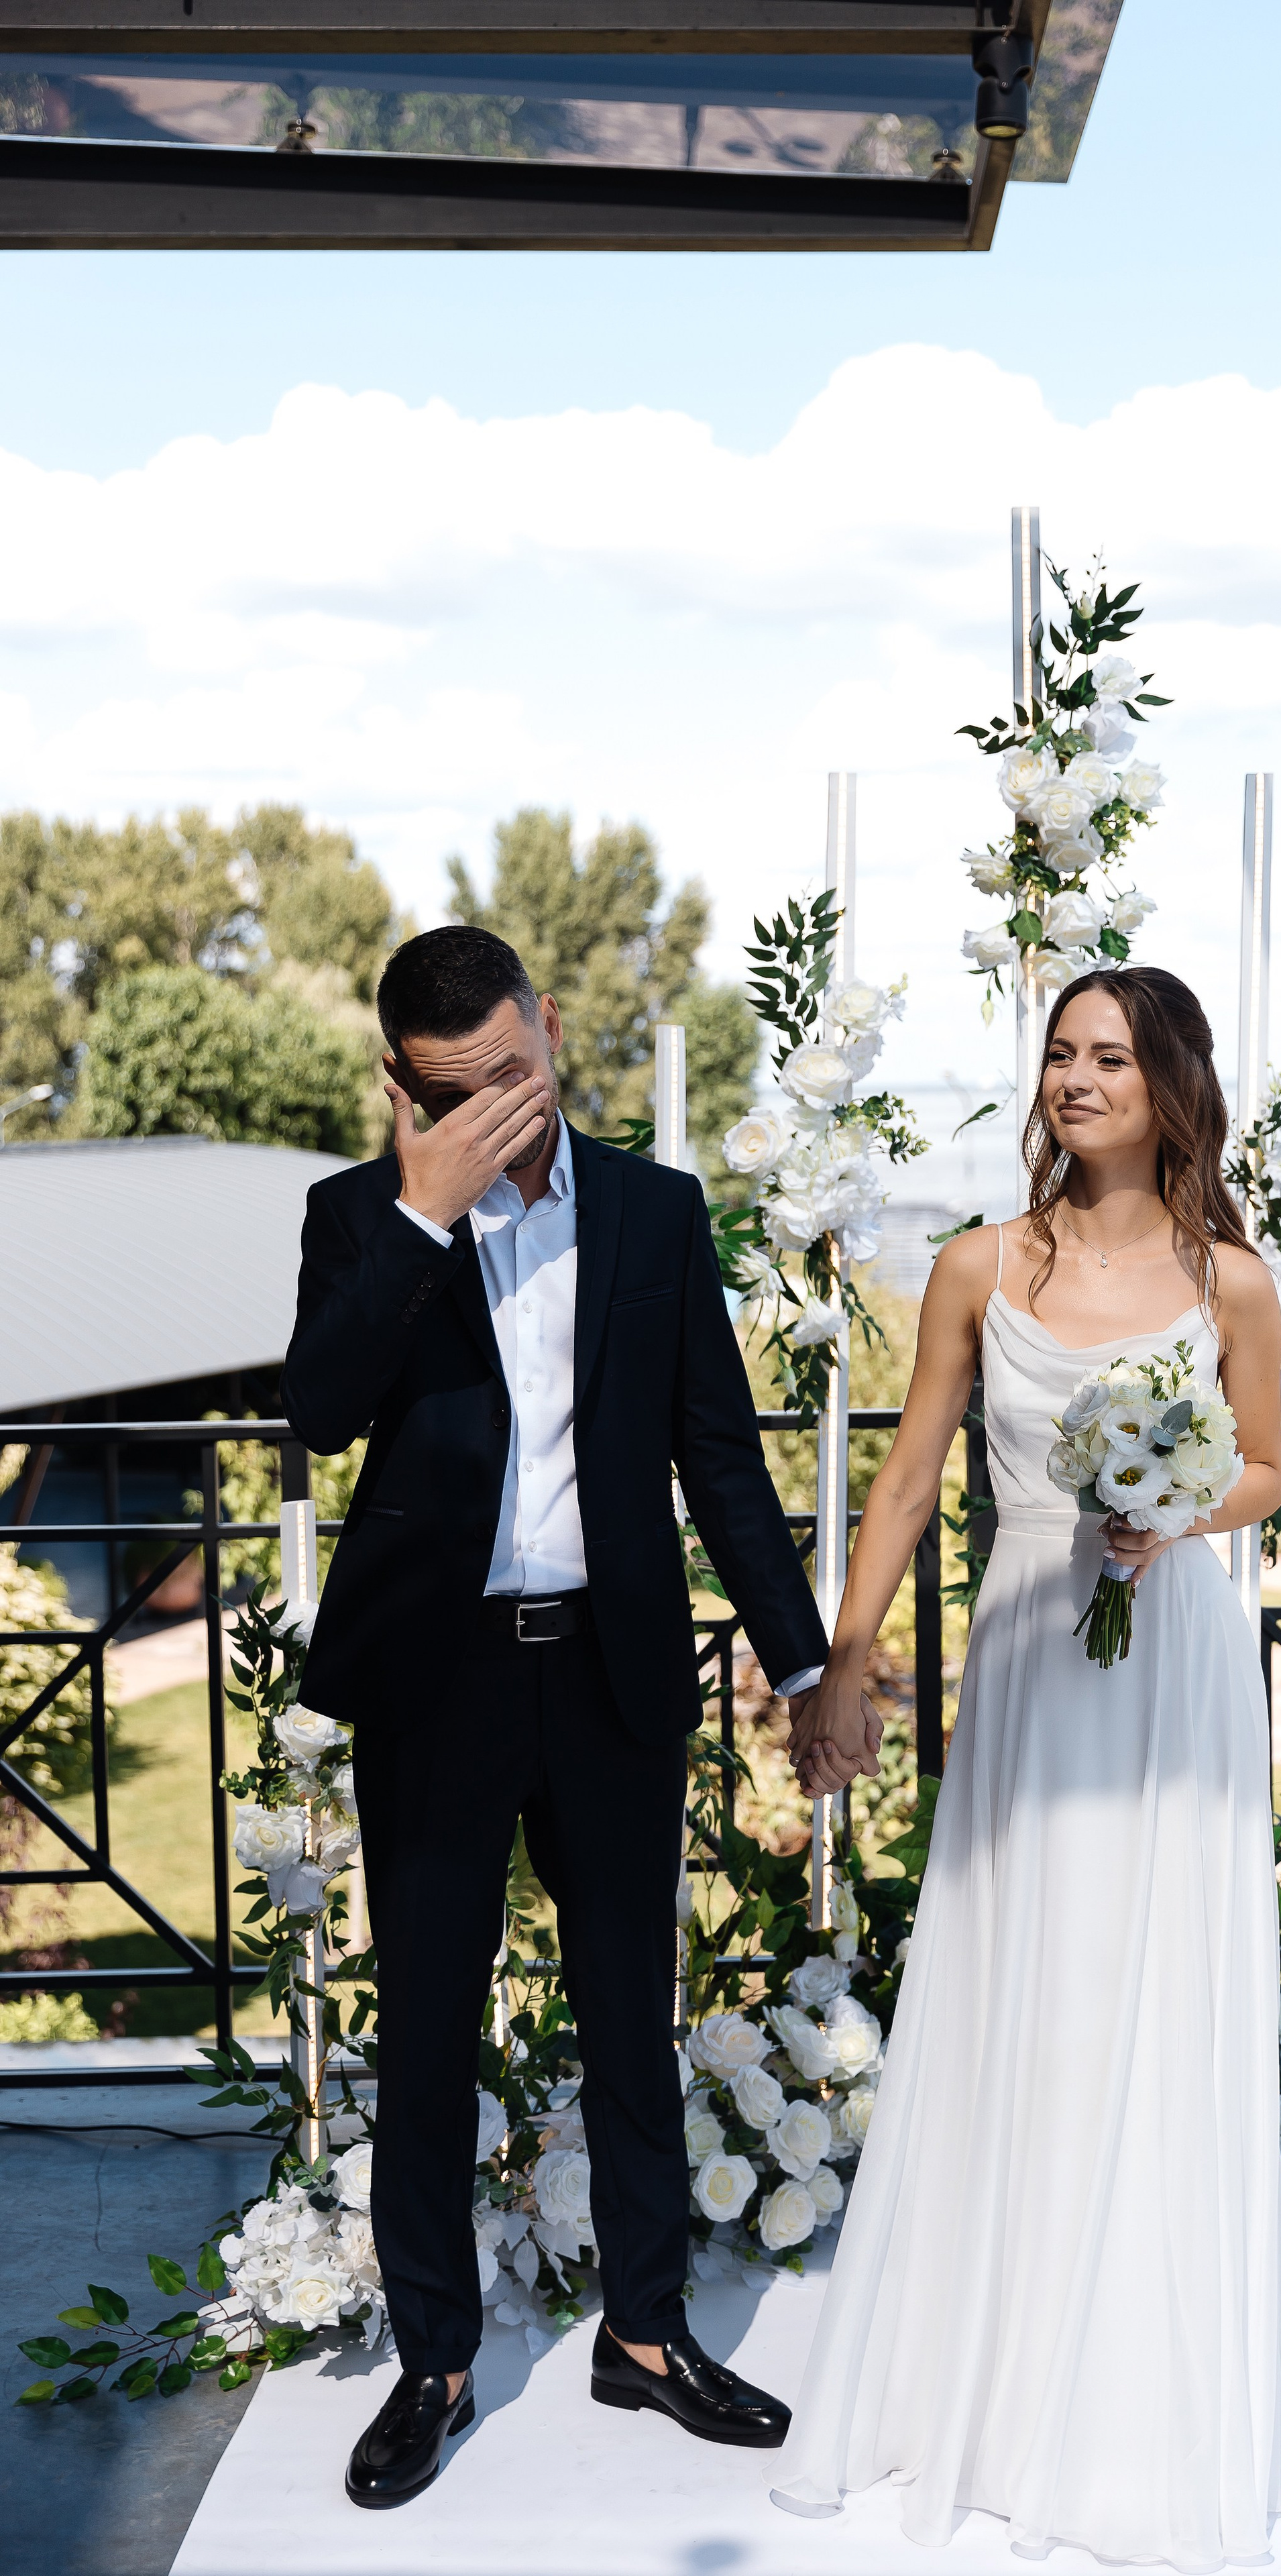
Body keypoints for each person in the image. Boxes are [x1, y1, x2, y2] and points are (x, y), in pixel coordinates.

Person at [771, 967, 1281, 2565]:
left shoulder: (1230, 1279)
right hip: (1025, 1660)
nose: (1076, 1080)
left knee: (1148, 1986)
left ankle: (1140, 2370)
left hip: (1171, 1670)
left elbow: (1270, 1466)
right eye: (1060, 1055)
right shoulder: (973, 1264)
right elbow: (903, 1483)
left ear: (1166, 1088)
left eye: (1109, 1058)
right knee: (1022, 1976)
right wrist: (847, 1659)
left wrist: (1188, 1503)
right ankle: (993, 2373)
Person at [280, 924, 830, 2510]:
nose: (503, 1109)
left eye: (518, 1073)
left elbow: (716, 1453)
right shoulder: (358, 1218)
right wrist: (422, 1213)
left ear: (556, 1029)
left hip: (609, 1671)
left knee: (626, 2023)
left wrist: (800, 1668)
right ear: (405, 1089)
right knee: (431, 2027)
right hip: (433, 1688)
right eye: (460, 1094)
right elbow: (318, 1415)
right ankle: (434, 2362)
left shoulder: (657, 1211)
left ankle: (645, 2338)